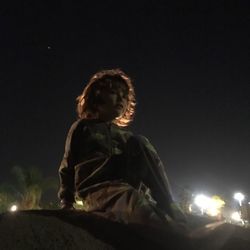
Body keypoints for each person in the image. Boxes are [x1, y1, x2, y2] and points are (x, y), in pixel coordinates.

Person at [58, 69, 185, 228]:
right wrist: (66, 202)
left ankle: (168, 204)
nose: (121, 99)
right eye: (113, 93)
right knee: (138, 207)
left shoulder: (127, 137)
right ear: (97, 97)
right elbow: (67, 165)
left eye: (124, 96)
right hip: (98, 190)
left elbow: (142, 167)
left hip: (126, 185)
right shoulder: (83, 127)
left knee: (141, 142)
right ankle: (178, 237)